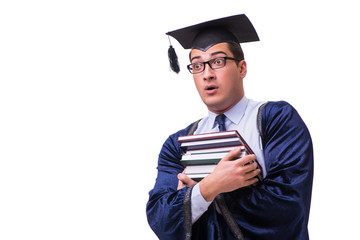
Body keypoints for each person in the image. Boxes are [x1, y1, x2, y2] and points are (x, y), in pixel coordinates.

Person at [146, 14, 313, 240]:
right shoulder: (178, 144)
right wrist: (210, 187)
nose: (207, 74)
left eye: (218, 61)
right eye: (197, 65)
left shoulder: (276, 120)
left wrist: (201, 194)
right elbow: (161, 218)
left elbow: (289, 206)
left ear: (242, 68)